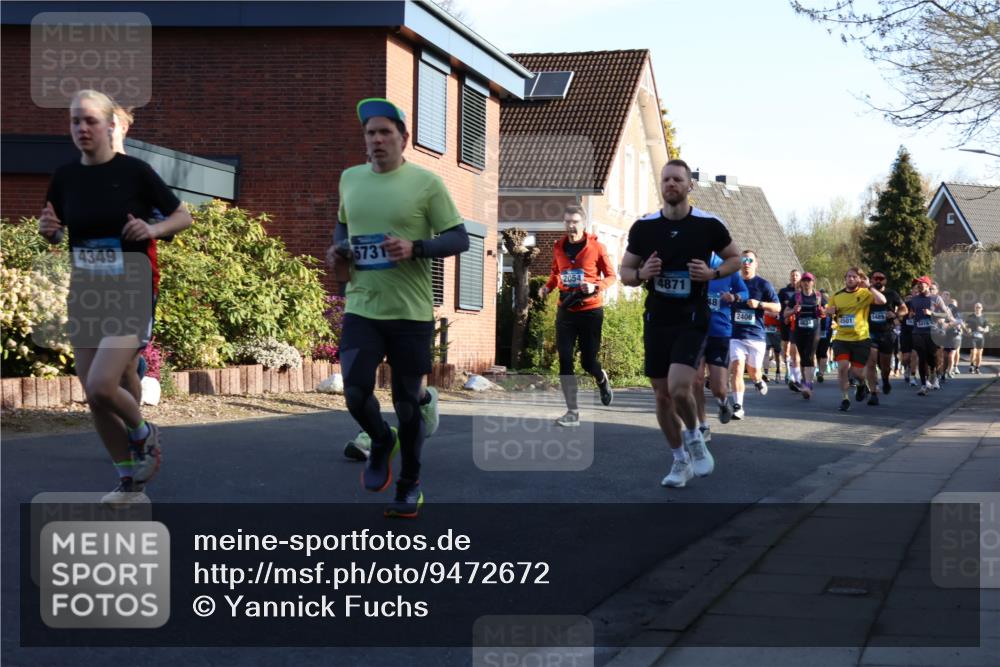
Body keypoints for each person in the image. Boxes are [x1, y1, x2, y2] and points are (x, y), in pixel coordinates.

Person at [39, 89, 192, 505]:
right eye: (75, 121)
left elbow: (183, 215)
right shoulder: (65, 177)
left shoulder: (136, 173)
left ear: (110, 125)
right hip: (87, 293)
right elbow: (57, 229)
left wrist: (153, 230)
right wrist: (49, 230)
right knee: (93, 395)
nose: (81, 128)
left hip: (131, 289)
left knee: (102, 384)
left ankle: (144, 434)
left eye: (90, 120)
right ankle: (128, 481)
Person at [327, 98, 468, 518]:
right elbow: (343, 224)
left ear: (404, 139)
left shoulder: (426, 184)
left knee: (407, 403)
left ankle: (409, 486)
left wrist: (415, 247)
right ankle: (380, 439)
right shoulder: (350, 179)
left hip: (409, 312)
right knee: (354, 393)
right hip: (363, 306)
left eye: (385, 132)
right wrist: (337, 250)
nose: (377, 140)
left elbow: (459, 238)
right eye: (370, 133)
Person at [619, 159, 741, 488]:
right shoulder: (644, 228)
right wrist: (641, 275)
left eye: (677, 179)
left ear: (689, 186)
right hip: (657, 318)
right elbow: (625, 272)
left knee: (678, 387)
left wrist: (713, 273)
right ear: (661, 186)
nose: (671, 184)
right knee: (661, 396)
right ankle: (679, 461)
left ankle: (695, 438)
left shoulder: (707, 224)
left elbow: (736, 258)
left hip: (692, 318)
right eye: (665, 180)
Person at [538, 205, 616, 426]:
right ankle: (572, 412)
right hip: (566, 311)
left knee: (588, 362)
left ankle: (601, 378)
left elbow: (611, 276)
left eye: (574, 221)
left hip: (590, 311)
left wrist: (595, 287)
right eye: (567, 222)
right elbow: (556, 273)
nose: (571, 226)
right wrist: (547, 287)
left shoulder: (597, 247)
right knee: (565, 360)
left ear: (583, 223)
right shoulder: (558, 247)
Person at [692, 252, 748, 440]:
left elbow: (744, 292)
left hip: (720, 332)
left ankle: (723, 402)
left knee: (718, 387)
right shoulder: (691, 264)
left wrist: (734, 297)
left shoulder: (727, 267)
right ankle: (703, 425)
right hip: (695, 331)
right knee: (697, 380)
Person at [727, 250, 781, 420]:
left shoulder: (763, 285)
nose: (746, 262)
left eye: (750, 260)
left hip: (756, 335)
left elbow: (777, 308)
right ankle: (738, 406)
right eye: (743, 259)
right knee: (736, 368)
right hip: (736, 335)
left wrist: (760, 304)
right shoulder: (732, 283)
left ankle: (758, 381)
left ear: (756, 264)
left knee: (753, 372)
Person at [826, 267, 886, 411]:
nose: (851, 279)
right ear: (845, 279)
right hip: (842, 338)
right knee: (842, 368)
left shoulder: (865, 293)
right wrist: (830, 312)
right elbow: (828, 311)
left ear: (859, 279)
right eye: (848, 277)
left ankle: (861, 384)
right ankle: (845, 398)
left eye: (854, 277)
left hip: (860, 338)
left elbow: (882, 300)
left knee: (857, 372)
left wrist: (870, 286)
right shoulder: (836, 295)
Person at [864, 270, 906, 405]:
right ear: (871, 280)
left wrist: (895, 314)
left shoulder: (891, 294)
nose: (877, 280)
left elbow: (904, 309)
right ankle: (874, 392)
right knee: (870, 364)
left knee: (885, 366)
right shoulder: (866, 294)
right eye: (875, 278)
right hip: (870, 333)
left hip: (887, 333)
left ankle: (886, 380)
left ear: (885, 281)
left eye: (880, 278)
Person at [906, 276, 953, 396]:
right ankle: (923, 385)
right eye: (918, 284)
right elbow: (912, 312)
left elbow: (946, 315)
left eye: (921, 284)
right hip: (918, 332)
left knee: (933, 358)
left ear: (927, 285)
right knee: (922, 359)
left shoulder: (936, 298)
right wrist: (911, 315)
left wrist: (932, 313)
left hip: (933, 333)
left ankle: (934, 373)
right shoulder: (914, 299)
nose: (919, 286)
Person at [784, 272, 827, 400]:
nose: (806, 283)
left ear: (813, 282)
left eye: (809, 280)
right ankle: (805, 380)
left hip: (814, 330)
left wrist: (822, 311)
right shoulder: (796, 297)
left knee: (809, 355)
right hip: (799, 330)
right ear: (801, 283)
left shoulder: (819, 297)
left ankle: (808, 384)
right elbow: (785, 313)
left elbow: (829, 311)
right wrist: (793, 310)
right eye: (804, 281)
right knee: (803, 357)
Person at [778, 269, 802, 388]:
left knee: (795, 349)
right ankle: (788, 369)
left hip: (799, 324)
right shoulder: (783, 291)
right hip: (786, 321)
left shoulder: (803, 291)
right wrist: (784, 317)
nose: (794, 277)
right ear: (789, 277)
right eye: (792, 275)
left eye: (797, 275)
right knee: (786, 347)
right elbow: (780, 307)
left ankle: (796, 373)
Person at [940, 291, 963, 380]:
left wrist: (950, 324)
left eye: (947, 295)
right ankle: (943, 372)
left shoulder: (955, 310)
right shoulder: (940, 307)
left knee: (951, 354)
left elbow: (959, 322)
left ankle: (949, 370)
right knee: (944, 356)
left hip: (954, 335)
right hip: (943, 335)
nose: (945, 297)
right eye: (944, 295)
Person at [964, 302, 990, 373]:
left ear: (982, 308)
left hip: (981, 338)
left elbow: (987, 329)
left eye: (979, 307)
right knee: (974, 352)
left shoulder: (984, 318)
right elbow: (965, 325)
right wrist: (968, 329)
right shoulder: (970, 316)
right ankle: (972, 365)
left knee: (979, 353)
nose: (977, 308)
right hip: (973, 337)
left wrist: (983, 329)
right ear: (974, 308)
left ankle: (977, 368)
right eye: (976, 307)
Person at [816, 288, 833, 382]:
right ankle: (820, 370)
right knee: (818, 352)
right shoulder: (815, 302)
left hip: (826, 329)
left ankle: (821, 372)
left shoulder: (829, 302)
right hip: (817, 329)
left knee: (822, 351)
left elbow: (831, 313)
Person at [762, 310, 783, 384]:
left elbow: (782, 316)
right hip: (766, 329)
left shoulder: (777, 303)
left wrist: (776, 315)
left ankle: (778, 372)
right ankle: (766, 374)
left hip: (777, 330)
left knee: (777, 354)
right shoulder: (763, 303)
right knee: (766, 352)